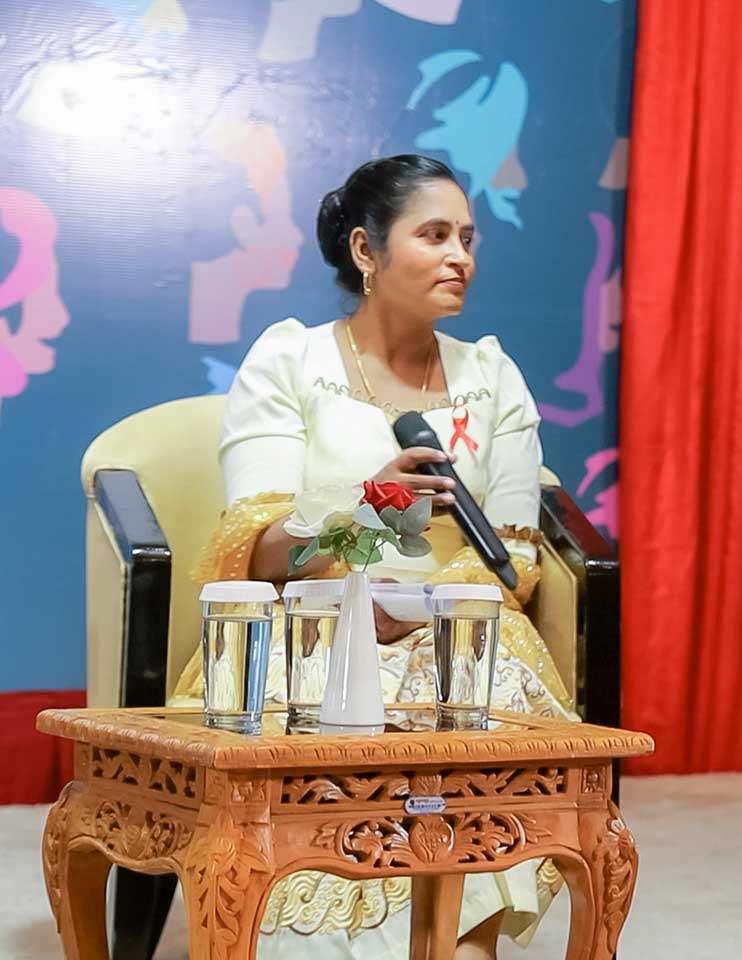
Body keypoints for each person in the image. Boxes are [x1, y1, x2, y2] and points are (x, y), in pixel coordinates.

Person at [171, 154, 574, 960]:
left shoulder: (492, 376)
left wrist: (423, 608)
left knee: (471, 693)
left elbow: (516, 560)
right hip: (311, 621)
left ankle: (459, 941)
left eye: (468, 238)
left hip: (458, 630)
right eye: (435, 235)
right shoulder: (291, 361)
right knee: (319, 702)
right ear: (366, 249)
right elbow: (258, 551)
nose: (461, 257)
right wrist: (370, 510)